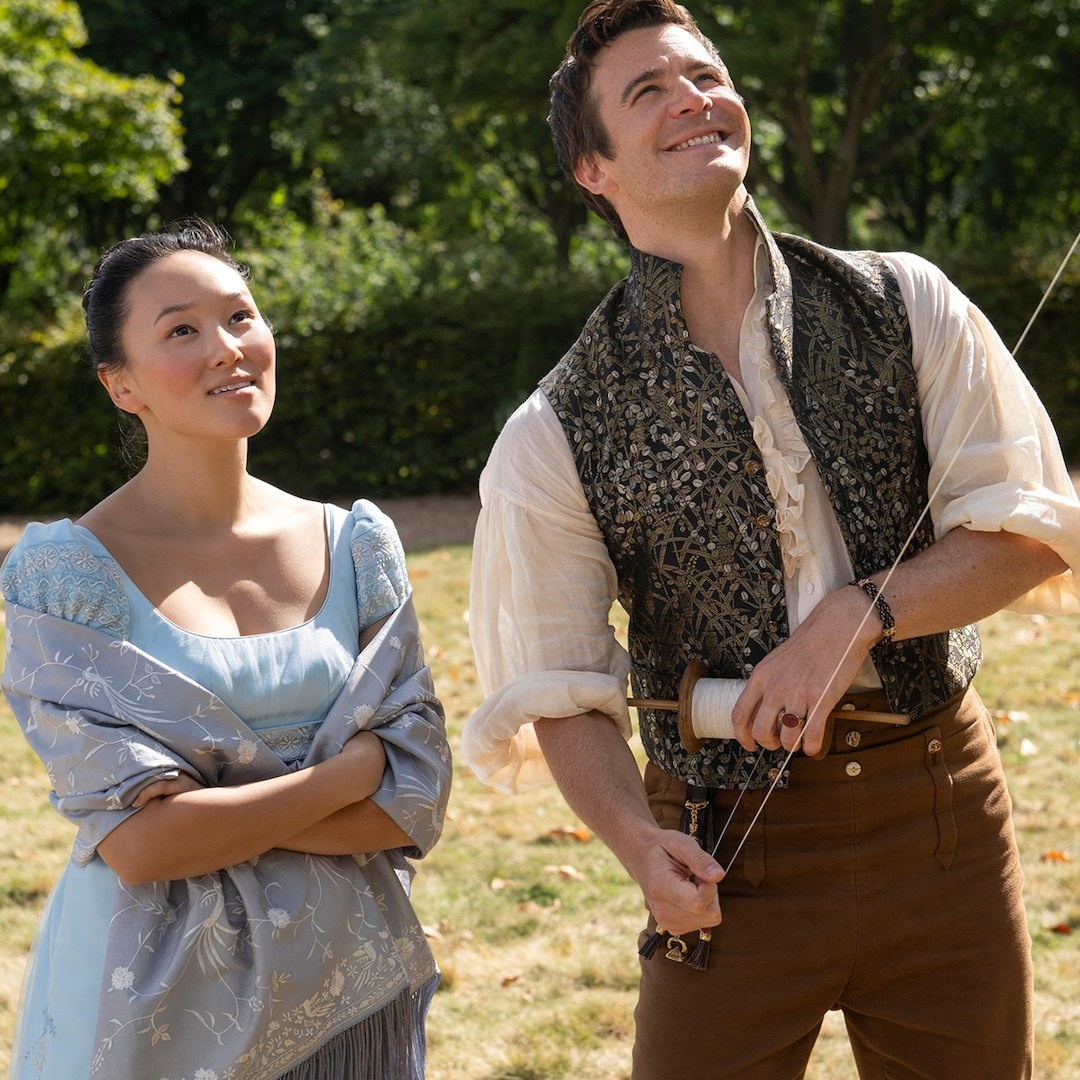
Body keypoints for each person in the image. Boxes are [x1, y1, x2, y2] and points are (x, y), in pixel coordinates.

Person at [462, 2, 1080, 1077]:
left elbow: (1031, 533)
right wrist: (638, 845)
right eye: (648, 91)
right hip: (722, 847)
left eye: (706, 76)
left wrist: (859, 614)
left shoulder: (907, 301)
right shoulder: (554, 427)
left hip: (939, 811)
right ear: (593, 170)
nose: (695, 100)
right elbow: (558, 688)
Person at [1, 219, 452, 1079]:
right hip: (148, 1010)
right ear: (120, 384)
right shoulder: (66, 575)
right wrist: (346, 775)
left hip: (350, 991)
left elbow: (412, 802)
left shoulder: (359, 546)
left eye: (240, 316)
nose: (226, 347)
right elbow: (142, 846)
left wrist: (211, 814)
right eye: (181, 330)